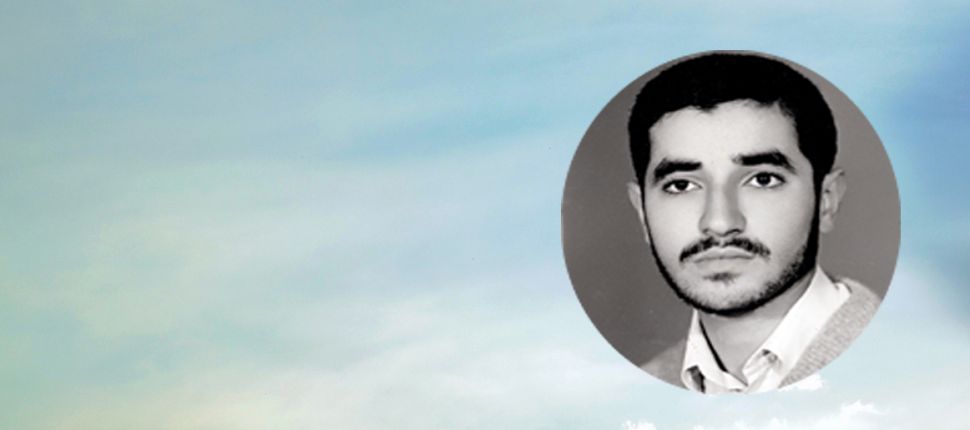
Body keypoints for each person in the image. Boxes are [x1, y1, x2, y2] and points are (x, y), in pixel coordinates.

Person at [625, 53, 880, 393]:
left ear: (826, 200)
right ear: (642, 212)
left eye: (762, 179)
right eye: (681, 185)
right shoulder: (630, 396)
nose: (719, 223)